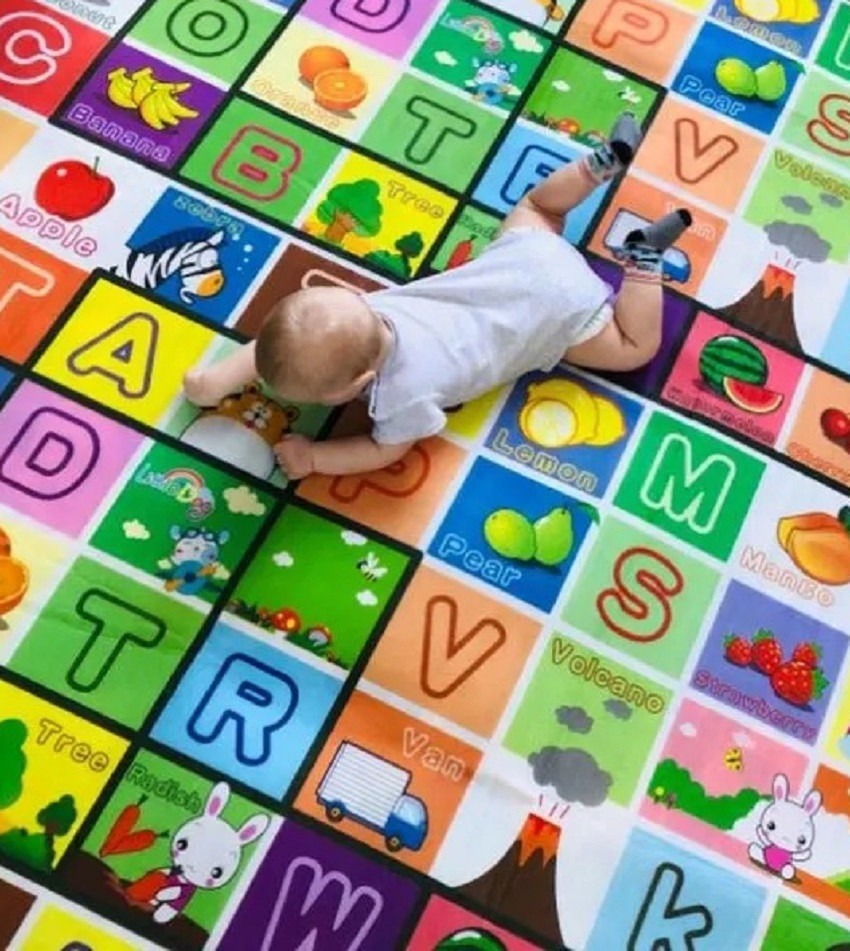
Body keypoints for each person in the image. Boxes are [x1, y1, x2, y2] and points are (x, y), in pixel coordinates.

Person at [183, 112, 692, 480]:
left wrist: (314, 458)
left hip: (562, 313)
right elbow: (282, 346)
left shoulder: (403, 398)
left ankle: (644, 263)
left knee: (633, 348)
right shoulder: (367, 310)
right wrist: (210, 382)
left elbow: (382, 451)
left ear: (356, 387)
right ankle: (598, 163)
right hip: (526, 259)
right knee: (539, 208)